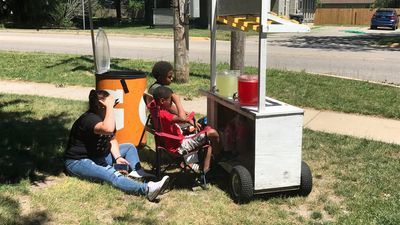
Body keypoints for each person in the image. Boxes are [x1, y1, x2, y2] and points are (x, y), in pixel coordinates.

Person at [64, 89, 169, 202]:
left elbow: (112, 138)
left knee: (129, 147)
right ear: (101, 105)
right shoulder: (89, 119)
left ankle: (136, 172)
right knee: (112, 175)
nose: (114, 106)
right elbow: (108, 129)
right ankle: (147, 189)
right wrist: (110, 106)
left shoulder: (105, 117)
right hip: (79, 161)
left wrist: (118, 157)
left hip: (98, 156)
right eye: (112, 104)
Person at [151, 86, 220, 179]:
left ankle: (206, 169)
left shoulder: (155, 108)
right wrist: (178, 101)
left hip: (170, 142)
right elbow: (182, 118)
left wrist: (190, 121)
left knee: (206, 139)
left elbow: (179, 117)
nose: (172, 103)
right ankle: (217, 159)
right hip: (179, 145)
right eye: (171, 101)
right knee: (212, 133)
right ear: (162, 101)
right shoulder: (164, 114)